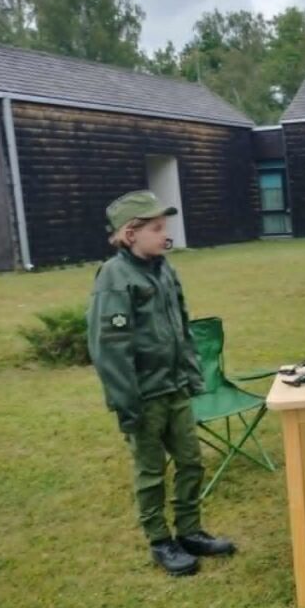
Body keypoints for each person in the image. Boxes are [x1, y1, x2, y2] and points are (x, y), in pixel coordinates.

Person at [87, 190, 235, 576]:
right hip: (143, 395)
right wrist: (126, 401)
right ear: (129, 233)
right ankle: (160, 541)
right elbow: (109, 349)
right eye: (156, 228)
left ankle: (189, 531)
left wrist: (190, 375)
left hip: (175, 388)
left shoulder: (164, 268)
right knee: (151, 471)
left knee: (191, 461)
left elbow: (181, 328)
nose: (163, 234)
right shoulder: (115, 277)